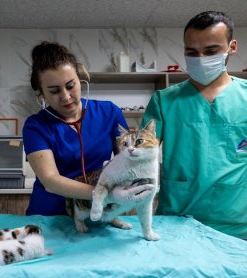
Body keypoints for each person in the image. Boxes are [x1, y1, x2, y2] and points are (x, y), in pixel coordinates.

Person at [140, 11, 247, 252]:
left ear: (232, 47)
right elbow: (143, 154)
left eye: (210, 51)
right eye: (191, 52)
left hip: (240, 224)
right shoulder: (164, 100)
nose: (200, 59)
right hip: (177, 221)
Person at [23, 41, 152, 216]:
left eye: (70, 86)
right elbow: (50, 180)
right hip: (51, 215)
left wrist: (126, 193)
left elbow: (127, 160)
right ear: (41, 94)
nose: (66, 96)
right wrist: (104, 195)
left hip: (99, 212)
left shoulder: (109, 112)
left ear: (81, 80)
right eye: (54, 91)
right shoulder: (36, 126)